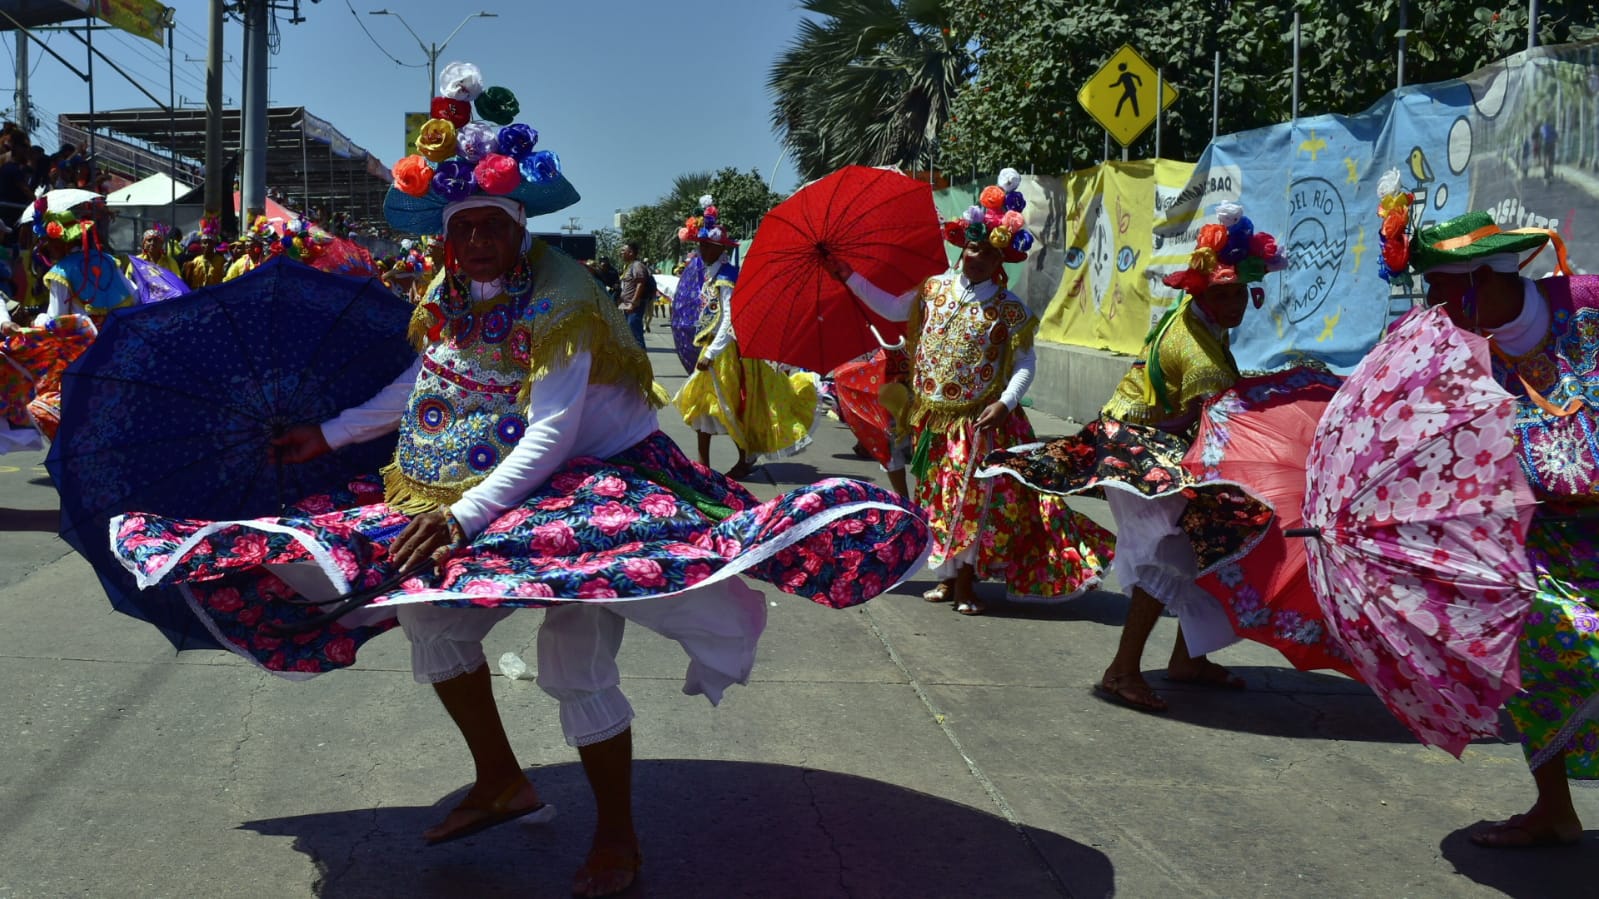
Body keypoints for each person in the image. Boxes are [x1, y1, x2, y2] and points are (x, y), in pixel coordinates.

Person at [112, 62, 930, 898]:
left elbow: (553, 428)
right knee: (428, 614)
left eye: (488, 228)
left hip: (600, 479)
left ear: (517, 229)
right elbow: (427, 382)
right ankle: (501, 778)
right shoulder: (451, 290)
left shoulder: (564, 299)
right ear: (448, 232)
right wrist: (324, 433)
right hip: (494, 474)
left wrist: (463, 518)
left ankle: (618, 837)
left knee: (571, 655)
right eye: (461, 228)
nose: (473, 244)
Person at [981, 201, 1284, 707]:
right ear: (1203, 291)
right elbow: (1226, 418)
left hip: (1151, 440)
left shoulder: (1203, 323)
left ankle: (1187, 658)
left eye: (1240, 293)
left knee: (1215, 538)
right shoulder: (1197, 350)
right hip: (1136, 448)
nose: (1236, 305)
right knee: (1170, 555)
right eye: (1226, 294)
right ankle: (1121, 670)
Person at [1401, 208, 1599, 848]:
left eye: (1444, 296)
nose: (1438, 315)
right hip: (1536, 533)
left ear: (1483, 278)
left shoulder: (1589, 304)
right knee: (1525, 635)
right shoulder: (1459, 359)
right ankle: (1555, 805)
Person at [830, 168, 1113, 615]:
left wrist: (1005, 402)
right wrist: (846, 274)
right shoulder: (932, 290)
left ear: (1002, 261)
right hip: (931, 419)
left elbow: (1026, 363)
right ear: (963, 246)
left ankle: (966, 582)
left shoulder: (1010, 309)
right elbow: (888, 306)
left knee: (967, 500)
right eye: (972, 248)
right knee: (937, 497)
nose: (975, 257)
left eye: (986, 252)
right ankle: (947, 577)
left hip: (979, 421)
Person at [672, 196, 817, 479]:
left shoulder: (726, 276)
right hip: (712, 348)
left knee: (729, 406)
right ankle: (704, 465)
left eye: (706, 245)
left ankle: (744, 456)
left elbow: (730, 318)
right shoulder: (710, 273)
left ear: (718, 249)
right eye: (700, 244)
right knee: (704, 404)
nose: (701, 249)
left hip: (726, 353)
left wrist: (713, 353)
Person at [616, 241, 651, 348]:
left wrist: (634, 302)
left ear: (630, 252)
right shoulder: (629, 266)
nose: (621, 253)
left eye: (623, 250)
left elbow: (640, 283)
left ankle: (641, 360)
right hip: (627, 306)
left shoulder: (637, 266)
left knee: (635, 334)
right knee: (630, 335)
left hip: (634, 307)